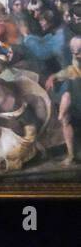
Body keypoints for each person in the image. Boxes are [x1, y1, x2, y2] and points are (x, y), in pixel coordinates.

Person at [46, 35, 81, 164]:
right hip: (76, 94)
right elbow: (73, 70)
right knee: (65, 117)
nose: (76, 52)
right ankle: (71, 155)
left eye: (79, 50)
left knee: (69, 92)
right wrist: (55, 76)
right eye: (73, 49)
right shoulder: (76, 57)